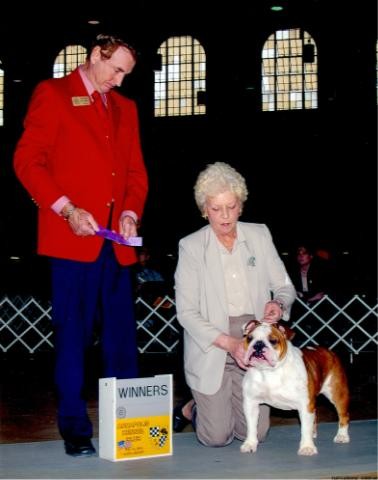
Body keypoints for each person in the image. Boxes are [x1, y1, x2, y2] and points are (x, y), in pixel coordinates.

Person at [13, 34, 148, 457]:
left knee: (122, 344)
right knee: (72, 341)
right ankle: (75, 428)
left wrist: (130, 212)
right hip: (72, 244)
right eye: (116, 70)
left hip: (117, 247)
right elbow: (26, 160)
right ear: (95, 56)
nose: (120, 81)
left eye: (126, 73)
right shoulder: (53, 94)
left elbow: (135, 176)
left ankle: (130, 428)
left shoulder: (127, 109)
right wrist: (67, 209)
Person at [174, 162, 296, 446]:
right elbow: (187, 313)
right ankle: (191, 407)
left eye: (231, 206)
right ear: (205, 209)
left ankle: (218, 403)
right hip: (212, 342)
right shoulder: (190, 247)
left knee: (254, 434)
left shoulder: (260, 235)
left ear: (241, 205)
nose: (225, 216)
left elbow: (285, 286)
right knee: (217, 437)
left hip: (254, 337)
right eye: (216, 209)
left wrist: (278, 303)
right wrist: (230, 343)